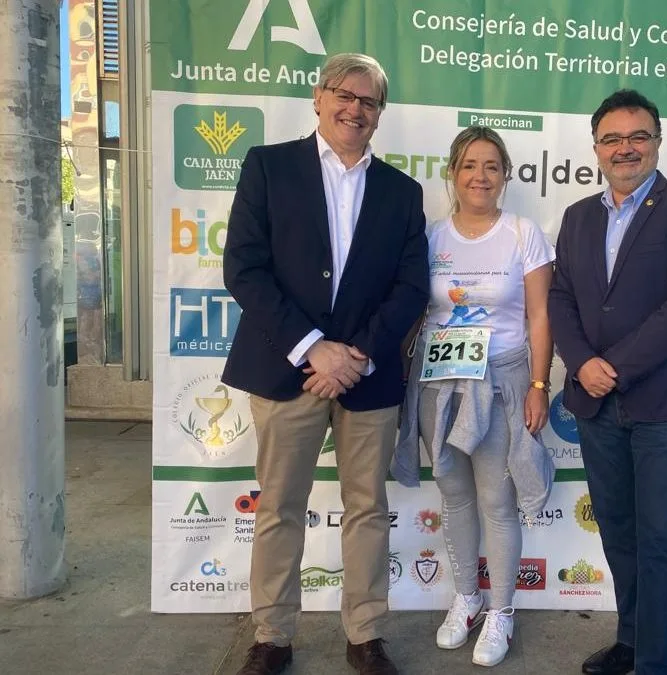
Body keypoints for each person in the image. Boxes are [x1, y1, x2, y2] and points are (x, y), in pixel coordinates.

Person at [222, 53, 429, 675]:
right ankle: (272, 637)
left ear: (379, 114)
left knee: (367, 507)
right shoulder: (268, 166)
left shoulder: (402, 191)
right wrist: (313, 346)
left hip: (368, 375)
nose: (354, 109)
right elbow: (244, 268)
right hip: (287, 369)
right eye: (344, 94)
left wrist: (356, 354)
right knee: (279, 506)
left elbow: (411, 287)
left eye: (369, 101)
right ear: (319, 97)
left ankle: (365, 634)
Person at [548, 90, 667, 675]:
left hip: (666, 405)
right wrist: (581, 363)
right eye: (612, 139)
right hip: (596, 406)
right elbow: (561, 298)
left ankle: (657, 663)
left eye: (638, 136)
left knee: (664, 540)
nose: (626, 148)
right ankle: (632, 639)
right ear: (596, 148)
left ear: (657, 142)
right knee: (619, 532)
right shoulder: (578, 217)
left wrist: (613, 368)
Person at [391, 126, 556, 668]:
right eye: (468, 165)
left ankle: (501, 610)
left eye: (491, 166)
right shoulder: (431, 237)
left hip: (501, 381)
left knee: (497, 500)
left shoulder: (523, 233)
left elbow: (539, 316)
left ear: (505, 175)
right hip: (438, 383)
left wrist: (539, 385)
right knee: (455, 495)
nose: (479, 176)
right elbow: (416, 310)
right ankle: (466, 598)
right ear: (452, 174)